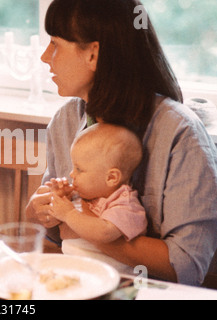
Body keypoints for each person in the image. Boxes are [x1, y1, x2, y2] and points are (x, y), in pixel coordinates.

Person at [25, 0, 217, 286]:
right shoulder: (65, 121)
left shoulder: (181, 133)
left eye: (54, 43)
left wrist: (82, 225)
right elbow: (54, 231)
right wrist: (42, 210)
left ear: (93, 53)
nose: (44, 56)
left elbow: (186, 265)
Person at [47, 123, 147, 273]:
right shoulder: (89, 195)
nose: (72, 174)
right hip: (76, 267)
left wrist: (68, 214)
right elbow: (64, 231)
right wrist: (60, 196)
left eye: (79, 169)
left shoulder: (125, 204)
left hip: (114, 277)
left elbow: (104, 233)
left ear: (111, 177)